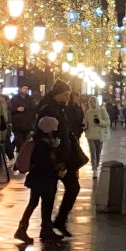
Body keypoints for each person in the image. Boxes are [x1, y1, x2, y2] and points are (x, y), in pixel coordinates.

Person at [15, 114, 65, 245]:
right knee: (46, 203)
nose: (56, 131)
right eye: (54, 128)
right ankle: (45, 229)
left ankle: (23, 228)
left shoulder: (37, 141)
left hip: (37, 178)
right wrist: (57, 168)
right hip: (44, 179)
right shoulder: (43, 145)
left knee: (33, 203)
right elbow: (44, 163)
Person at [47, 82, 89, 234]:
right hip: (54, 158)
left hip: (65, 157)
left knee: (72, 188)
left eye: (68, 95)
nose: (67, 97)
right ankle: (47, 226)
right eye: (65, 95)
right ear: (57, 94)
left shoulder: (62, 108)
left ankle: (58, 221)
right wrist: (59, 161)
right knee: (48, 193)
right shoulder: (49, 108)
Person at [84, 95, 110, 168]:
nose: (92, 103)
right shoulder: (88, 112)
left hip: (99, 135)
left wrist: (100, 122)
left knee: (98, 152)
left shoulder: (102, 110)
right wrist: (84, 126)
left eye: (94, 101)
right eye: (91, 102)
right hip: (90, 135)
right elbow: (85, 122)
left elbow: (107, 122)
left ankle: (96, 166)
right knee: (93, 153)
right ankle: (94, 169)